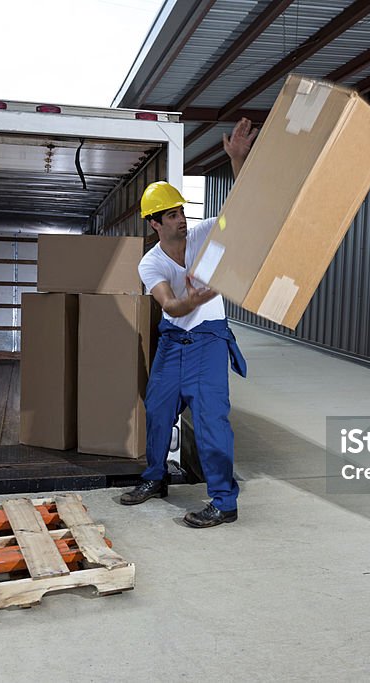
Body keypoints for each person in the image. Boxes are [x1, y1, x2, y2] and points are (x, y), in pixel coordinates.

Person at [119, 118, 257, 528]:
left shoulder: (204, 234)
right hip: (173, 341)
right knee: (158, 411)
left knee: (212, 418)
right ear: (154, 224)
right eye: (169, 214)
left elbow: (245, 212)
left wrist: (239, 160)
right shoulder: (151, 262)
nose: (179, 218)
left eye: (181, 210)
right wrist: (190, 298)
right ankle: (154, 478)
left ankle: (223, 501)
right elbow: (170, 306)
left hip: (210, 340)